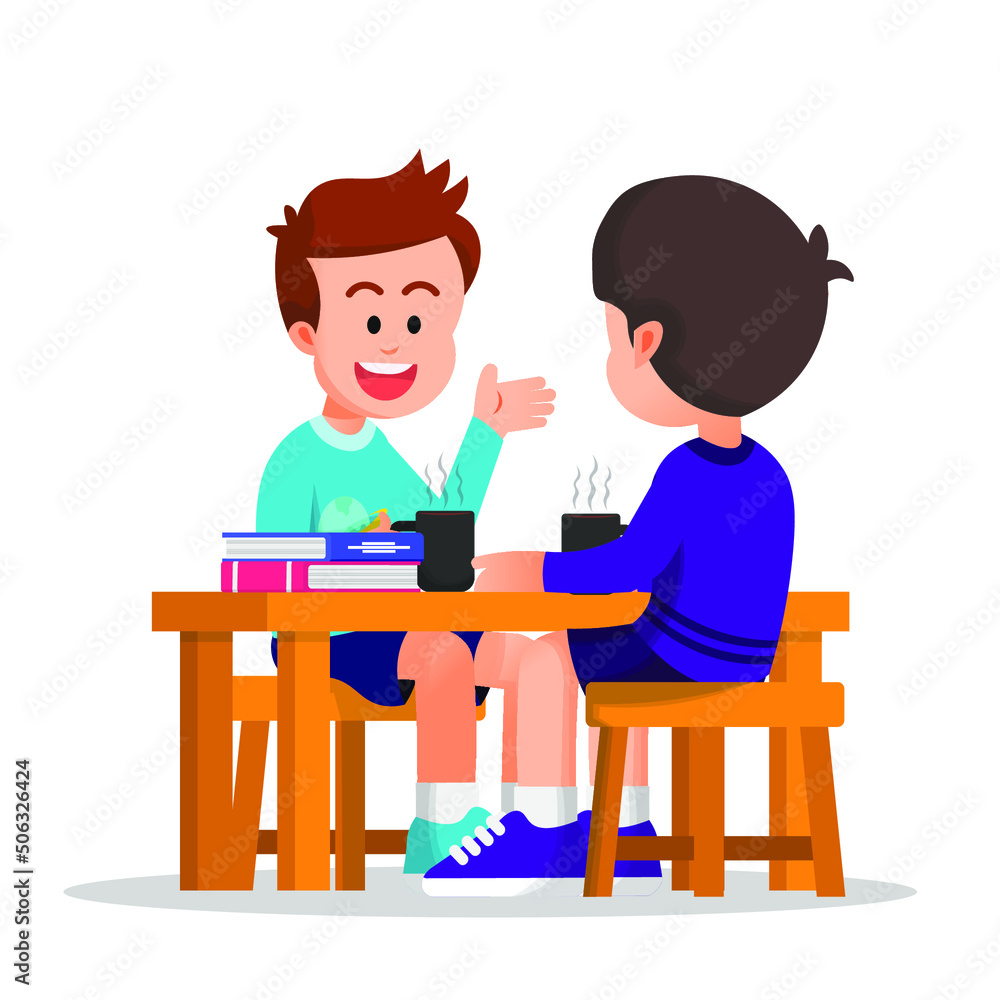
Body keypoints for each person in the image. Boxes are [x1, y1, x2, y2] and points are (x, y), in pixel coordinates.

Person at [426, 174, 854, 895]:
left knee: (549, 661)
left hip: (688, 661)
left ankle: (543, 831)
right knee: (602, 651)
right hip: (743, 661)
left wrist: (528, 567)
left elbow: (627, 568)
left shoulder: (688, 469)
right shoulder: (771, 474)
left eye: (612, 337)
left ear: (647, 340)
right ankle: (625, 832)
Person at [255, 152, 555, 884]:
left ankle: (535, 824)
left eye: (418, 319)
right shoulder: (297, 458)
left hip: (408, 628)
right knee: (443, 654)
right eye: (371, 318)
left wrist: (485, 433)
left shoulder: (382, 452)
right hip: (325, 643)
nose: (395, 341)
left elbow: (444, 528)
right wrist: (360, 561)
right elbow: (269, 577)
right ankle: (440, 826)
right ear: (308, 334)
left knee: (529, 658)